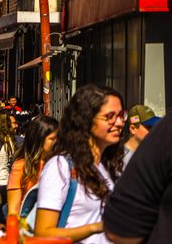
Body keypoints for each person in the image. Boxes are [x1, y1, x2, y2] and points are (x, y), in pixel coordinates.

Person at [34, 84, 125, 243]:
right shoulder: (60, 166)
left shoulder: (109, 166)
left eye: (121, 115)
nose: (119, 123)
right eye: (110, 116)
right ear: (86, 119)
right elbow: (42, 234)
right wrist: (96, 227)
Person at [103, 110, 172, 243]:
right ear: (132, 129)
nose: (153, 131)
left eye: (155, 127)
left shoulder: (159, 156)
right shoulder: (116, 157)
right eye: (148, 127)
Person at [7, 114, 58, 218]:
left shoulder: (60, 164)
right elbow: (13, 211)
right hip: (29, 226)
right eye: (52, 139)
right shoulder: (21, 166)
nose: (57, 142)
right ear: (38, 139)